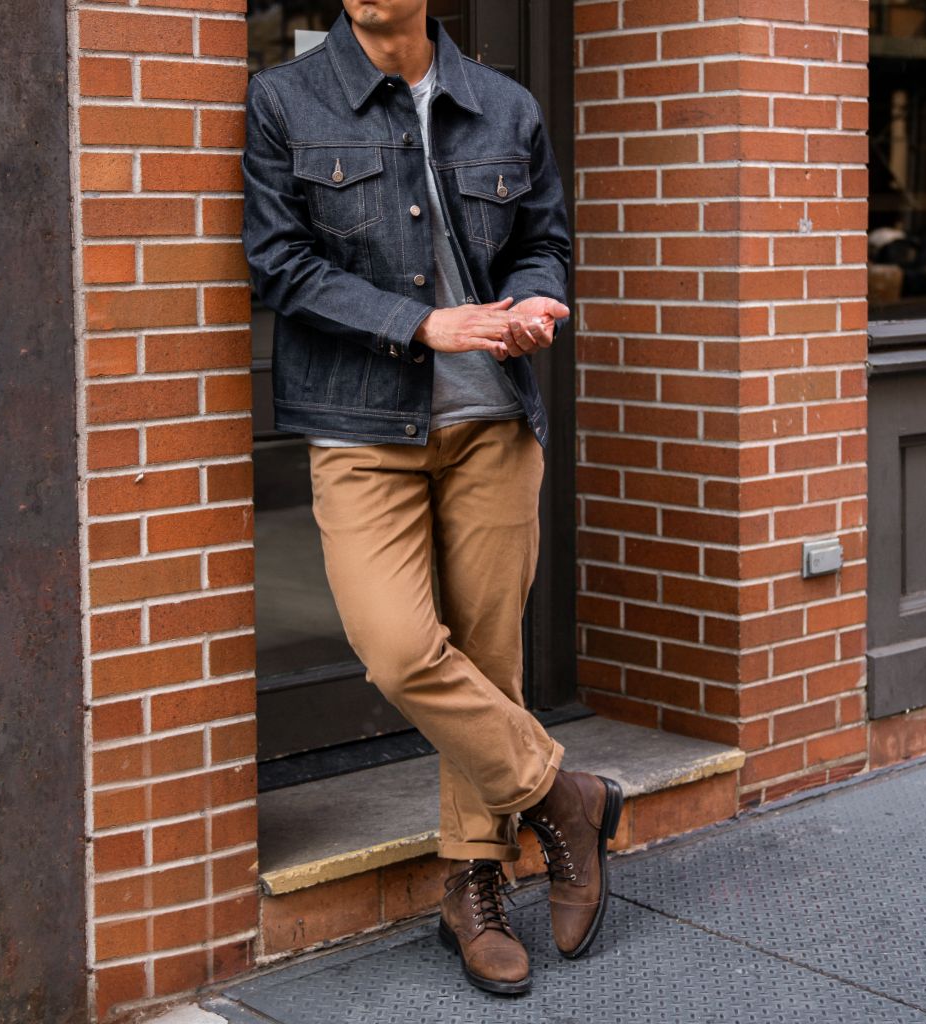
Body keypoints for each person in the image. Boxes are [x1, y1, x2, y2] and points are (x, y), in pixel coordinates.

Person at [241, 0, 624, 995]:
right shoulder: (285, 98)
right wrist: (422, 325)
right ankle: (565, 795)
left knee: (487, 659)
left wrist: (537, 300)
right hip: (360, 428)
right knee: (401, 647)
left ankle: (473, 881)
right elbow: (278, 263)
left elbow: (542, 242)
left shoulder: (503, 105)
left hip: (492, 426)